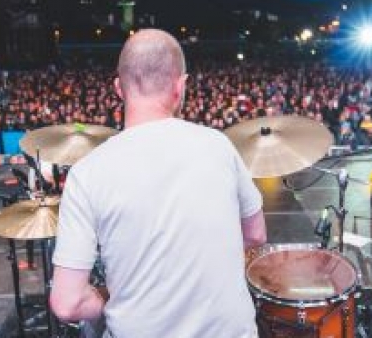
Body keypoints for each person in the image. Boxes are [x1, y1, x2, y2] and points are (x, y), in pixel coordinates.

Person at [50, 29, 267, 337]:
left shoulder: (87, 173)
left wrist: (112, 302)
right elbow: (255, 234)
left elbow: (67, 304)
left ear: (118, 89)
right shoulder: (218, 145)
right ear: (181, 86)